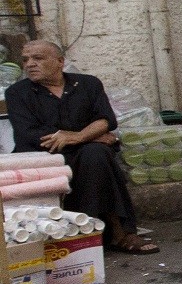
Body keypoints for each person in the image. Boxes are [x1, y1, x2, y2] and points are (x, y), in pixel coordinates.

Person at [5, 41, 152, 254]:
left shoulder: (88, 84)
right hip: (46, 156)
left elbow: (106, 120)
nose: (30, 64)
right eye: (26, 60)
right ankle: (96, 233)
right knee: (95, 151)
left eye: (38, 58)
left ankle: (119, 234)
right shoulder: (17, 93)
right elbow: (31, 134)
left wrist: (79, 137)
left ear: (60, 62)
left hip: (87, 152)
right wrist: (90, 136)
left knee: (97, 154)